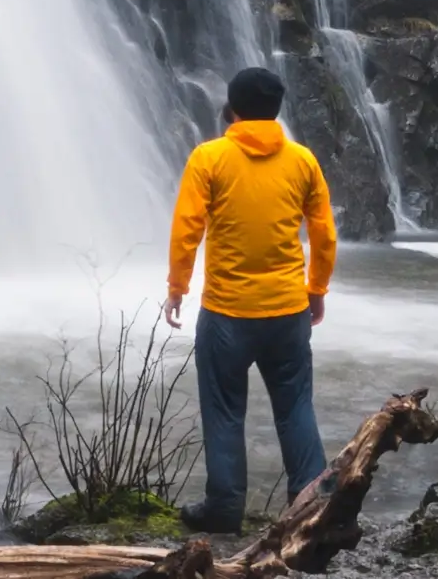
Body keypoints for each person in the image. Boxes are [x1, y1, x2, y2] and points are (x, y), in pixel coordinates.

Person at [165, 65, 336, 535]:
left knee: (224, 409)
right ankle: (312, 505)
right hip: (287, 310)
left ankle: (224, 508)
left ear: (232, 109)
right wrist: (316, 290)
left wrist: (177, 288)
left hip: (226, 313)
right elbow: (323, 234)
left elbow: (187, 230)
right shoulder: (302, 160)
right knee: (295, 405)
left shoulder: (210, 157)